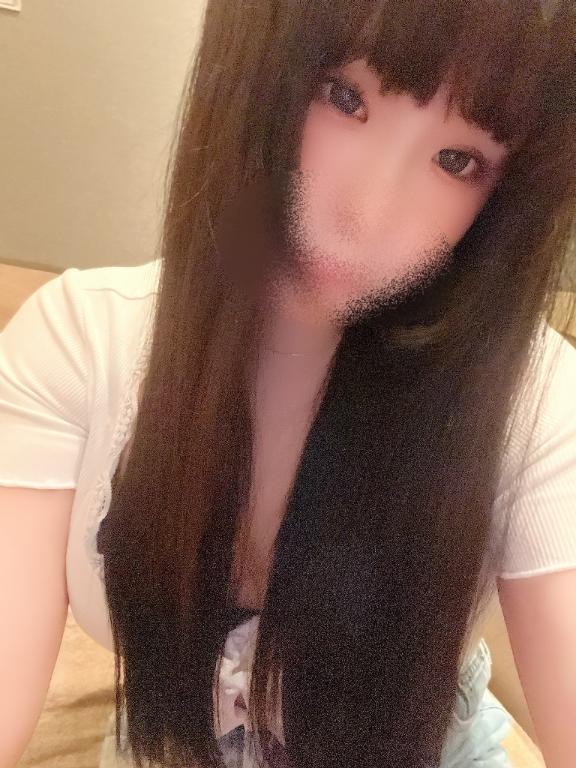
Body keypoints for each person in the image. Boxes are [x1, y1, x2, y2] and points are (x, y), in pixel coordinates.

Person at [1, 1, 575, 767]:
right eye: (344, 98)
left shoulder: (536, 404)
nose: (368, 213)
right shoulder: (80, 342)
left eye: (457, 160)